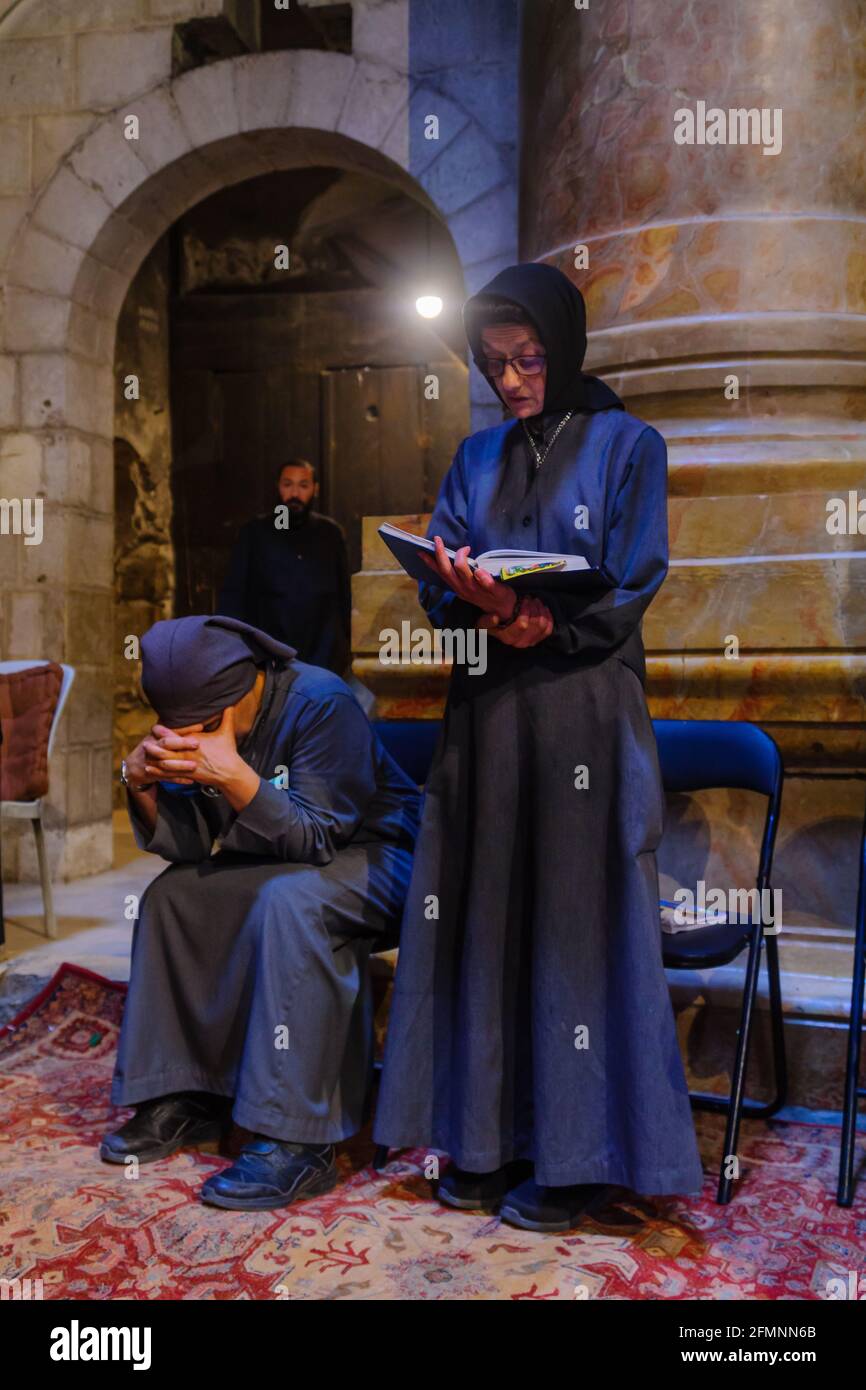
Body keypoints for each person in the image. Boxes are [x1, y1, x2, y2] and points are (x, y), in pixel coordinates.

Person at [373, 262, 704, 1231]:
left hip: (580, 714)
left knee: (572, 929)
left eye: (528, 359)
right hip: (486, 719)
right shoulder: (473, 457)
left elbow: (631, 581)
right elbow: (441, 577)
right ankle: (482, 1141)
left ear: (563, 347)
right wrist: (470, 600)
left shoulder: (626, 443)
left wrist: (537, 620)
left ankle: (578, 1158)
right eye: (494, 364)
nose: (513, 381)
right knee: (485, 923)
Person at [102, 614, 421, 1210]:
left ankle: (298, 1142)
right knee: (174, 896)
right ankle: (189, 1095)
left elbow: (321, 837)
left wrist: (237, 779)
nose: (186, 740)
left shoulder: (321, 701)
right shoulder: (197, 720)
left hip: (382, 858)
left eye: (197, 731)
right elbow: (193, 844)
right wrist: (139, 781)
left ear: (228, 707)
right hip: (288, 861)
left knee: (290, 903)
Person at [218, 459, 351, 675]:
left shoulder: (330, 533)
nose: (295, 494)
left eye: (303, 485)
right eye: (288, 484)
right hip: (268, 650)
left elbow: (344, 594)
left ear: (315, 489)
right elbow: (234, 591)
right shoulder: (255, 532)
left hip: (321, 651)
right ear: (278, 487)